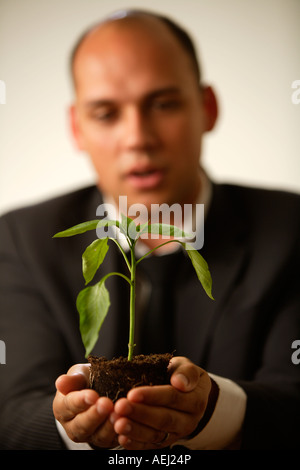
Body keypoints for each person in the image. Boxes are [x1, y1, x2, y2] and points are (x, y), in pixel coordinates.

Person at [0, 9, 299, 451]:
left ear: (208, 108)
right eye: (105, 113)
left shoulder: (290, 229)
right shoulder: (22, 239)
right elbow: (10, 412)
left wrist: (214, 408)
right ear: (76, 127)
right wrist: (73, 426)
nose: (137, 137)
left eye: (163, 104)